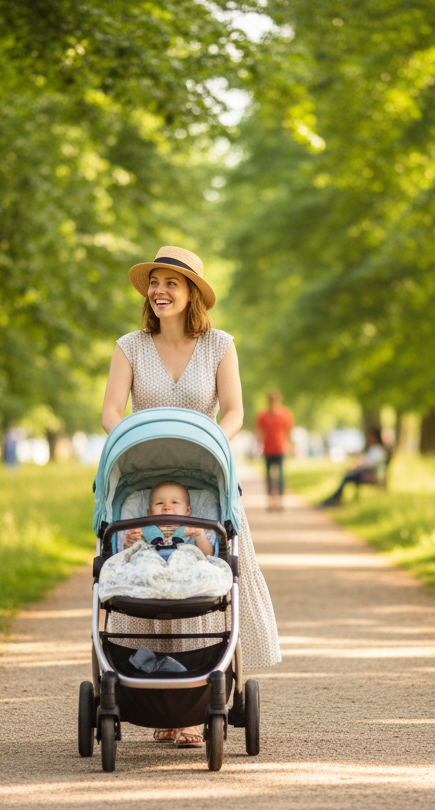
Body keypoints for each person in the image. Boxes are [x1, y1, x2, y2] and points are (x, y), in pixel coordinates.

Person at [102, 245, 281, 747]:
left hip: (202, 475)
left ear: (191, 294)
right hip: (148, 474)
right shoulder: (130, 347)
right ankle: (159, 700)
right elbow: (111, 411)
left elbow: (235, 410)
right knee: (151, 581)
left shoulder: (219, 345)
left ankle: (195, 702)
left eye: (171, 283)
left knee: (203, 581)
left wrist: (215, 442)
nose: (159, 291)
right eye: (154, 283)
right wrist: (131, 440)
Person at [123, 480, 214, 557]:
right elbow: (128, 556)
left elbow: (208, 556)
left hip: (184, 566)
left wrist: (199, 535)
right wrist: (130, 544)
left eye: (174, 502)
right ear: (149, 512)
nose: (167, 507)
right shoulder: (142, 532)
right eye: (159, 503)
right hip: (151, 566)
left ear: (187, 511)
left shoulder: (192, 530)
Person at [319, 427, 389, 506]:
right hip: (369, 473)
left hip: (372, 475)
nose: (369, 439)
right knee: (348, 475)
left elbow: (367, 464)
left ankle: (336, 498)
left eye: (371, 437)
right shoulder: (375, 450)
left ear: (375, 438)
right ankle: (336, 498)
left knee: (348, 477)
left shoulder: (378, 451)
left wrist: (356, 466)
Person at [254, 390, 294, 511]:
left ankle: (280, 502)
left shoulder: (285, 414)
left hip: (280, 449)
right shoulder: (262, 416)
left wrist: (291, 447)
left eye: (274, 399)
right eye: (271, 399)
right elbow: (259, 433)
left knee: (281, 477)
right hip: (267, 450)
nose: (273, 402)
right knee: (268, 478)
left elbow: (289, 432)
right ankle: (271, 503)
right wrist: (258, 448)